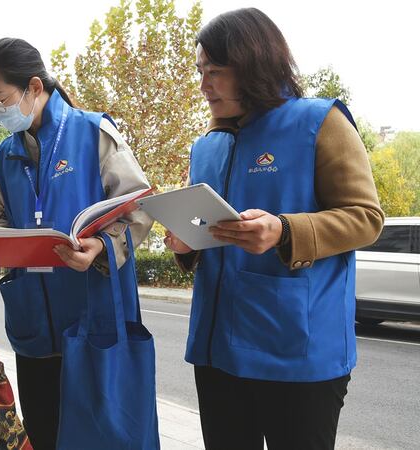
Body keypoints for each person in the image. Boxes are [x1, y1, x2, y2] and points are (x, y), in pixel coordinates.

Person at [163, 8, 384, 450]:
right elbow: (206, 233)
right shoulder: (206, 146)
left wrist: (284, 231)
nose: (205, 85)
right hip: (217, 352)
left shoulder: (320, 123)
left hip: (298, 355)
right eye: (201, 71)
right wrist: (185, 245)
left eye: (217, 71)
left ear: (254, 64)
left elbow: (366, 218)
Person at [0, 37, 153, 449]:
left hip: (93, 313)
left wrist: (103, 247)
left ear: (34, 87)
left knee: (103, 435)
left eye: (0, 97)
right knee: (46, 433)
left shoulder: (93, 134)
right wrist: (4, 246)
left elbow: (139, 207)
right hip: (34, 321)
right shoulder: (3, 158)